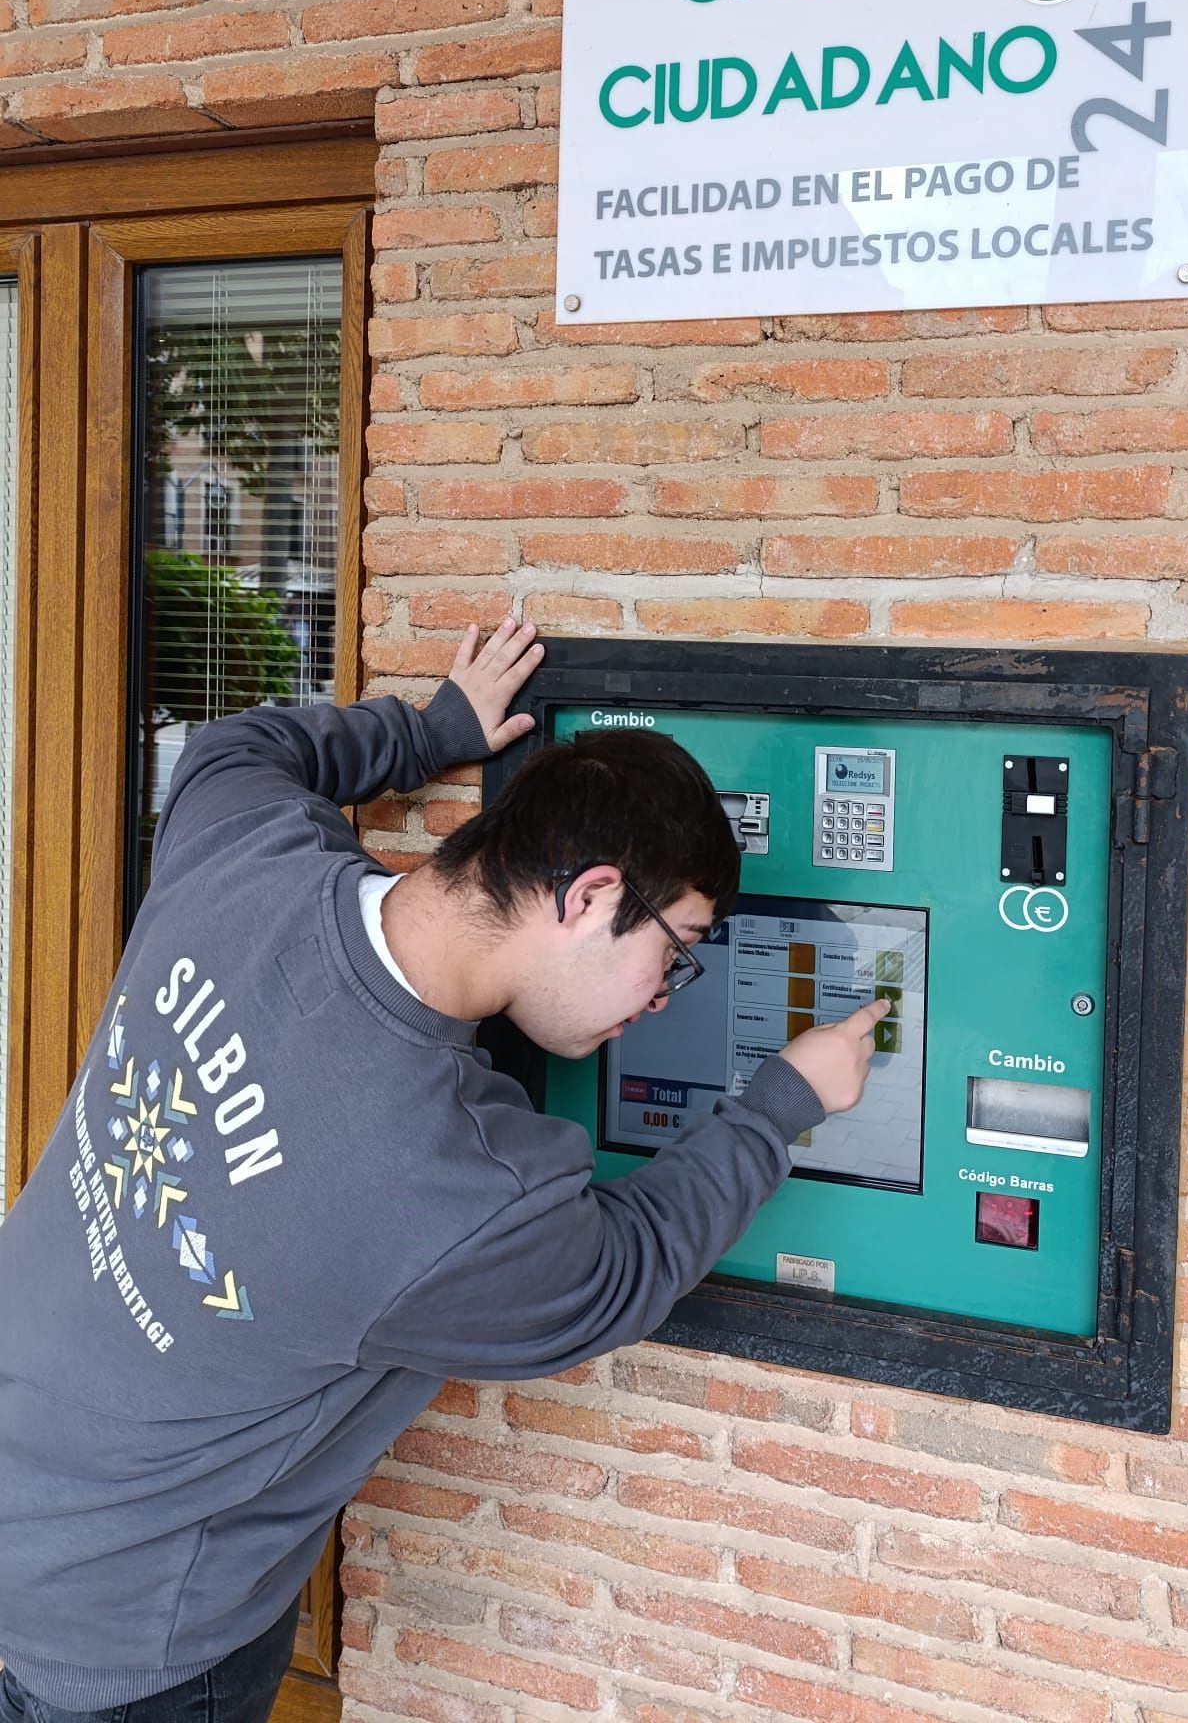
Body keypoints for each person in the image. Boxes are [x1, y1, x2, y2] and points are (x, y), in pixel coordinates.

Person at [0, 617, 884, 1723]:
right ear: (588, 897)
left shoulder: (239, 843)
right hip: (133, 1645)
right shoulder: (453, 1188)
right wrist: (783, 1105)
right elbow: (627, 1267)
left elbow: (242, 745)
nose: (664, 998)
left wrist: (429, 732)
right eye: (678, 953)